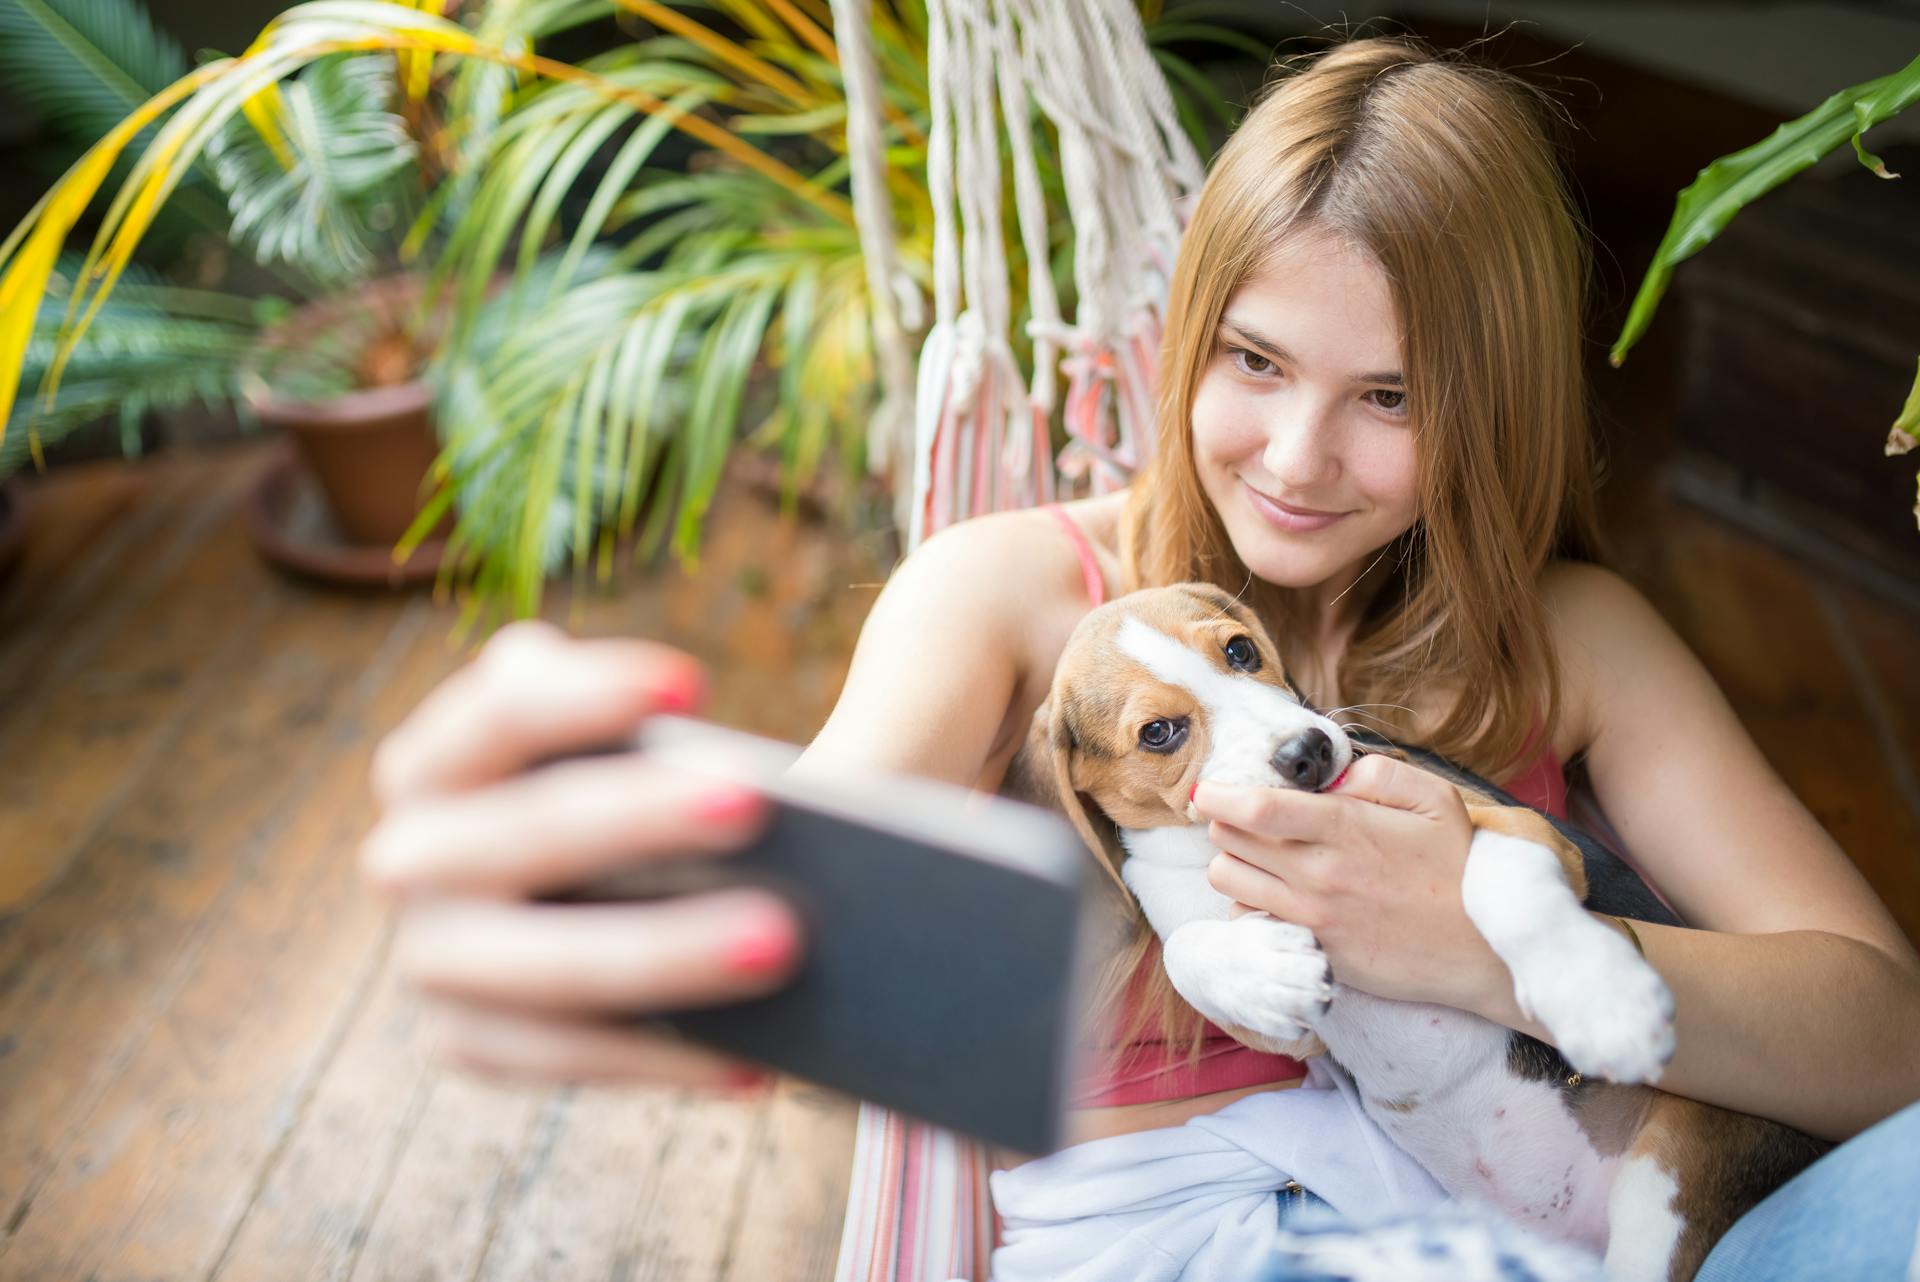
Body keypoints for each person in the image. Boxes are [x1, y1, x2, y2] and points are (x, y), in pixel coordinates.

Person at [357, 34, 1920, 1279]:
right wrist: (586, 877)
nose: (1297, 457)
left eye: (1391, 395)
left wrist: (1465, 933)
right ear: (1182, 337)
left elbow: (1884, 1037)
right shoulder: (1016, 599)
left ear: (1493, 410)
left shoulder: (1568, 634)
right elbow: (783, 886)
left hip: (1599, 1217)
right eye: (1253, 361)